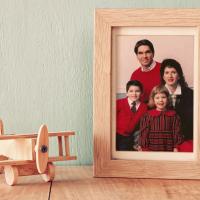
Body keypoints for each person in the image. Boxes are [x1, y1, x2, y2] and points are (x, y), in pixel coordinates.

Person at [160, 58, 193, 152]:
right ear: (163, 76)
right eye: (166, 73)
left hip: (185, 138)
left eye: (173, 72)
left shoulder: (190, 94)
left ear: (179, 75)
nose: (170, 76)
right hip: (163, 139)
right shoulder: (157, 94)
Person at [139, 85, 183, 152]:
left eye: (163, 97)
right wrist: (144, 148)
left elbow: (177, 132)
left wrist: (176, 146)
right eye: (157, 98)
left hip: (169, 148)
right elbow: (144, 134)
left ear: (168, 99)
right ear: (153, 99)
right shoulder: (147, 116)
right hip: (151, 148)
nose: (160, 100)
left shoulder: (174, 115)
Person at [116, 80, 147, 151]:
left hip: (128, 137)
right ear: (127, 93)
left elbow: (143, 125)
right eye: (131, 91)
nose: (134, 93)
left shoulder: (144, 107)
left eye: (137, 91)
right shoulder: (119, 103)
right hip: (115, 134)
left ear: (141, 93)